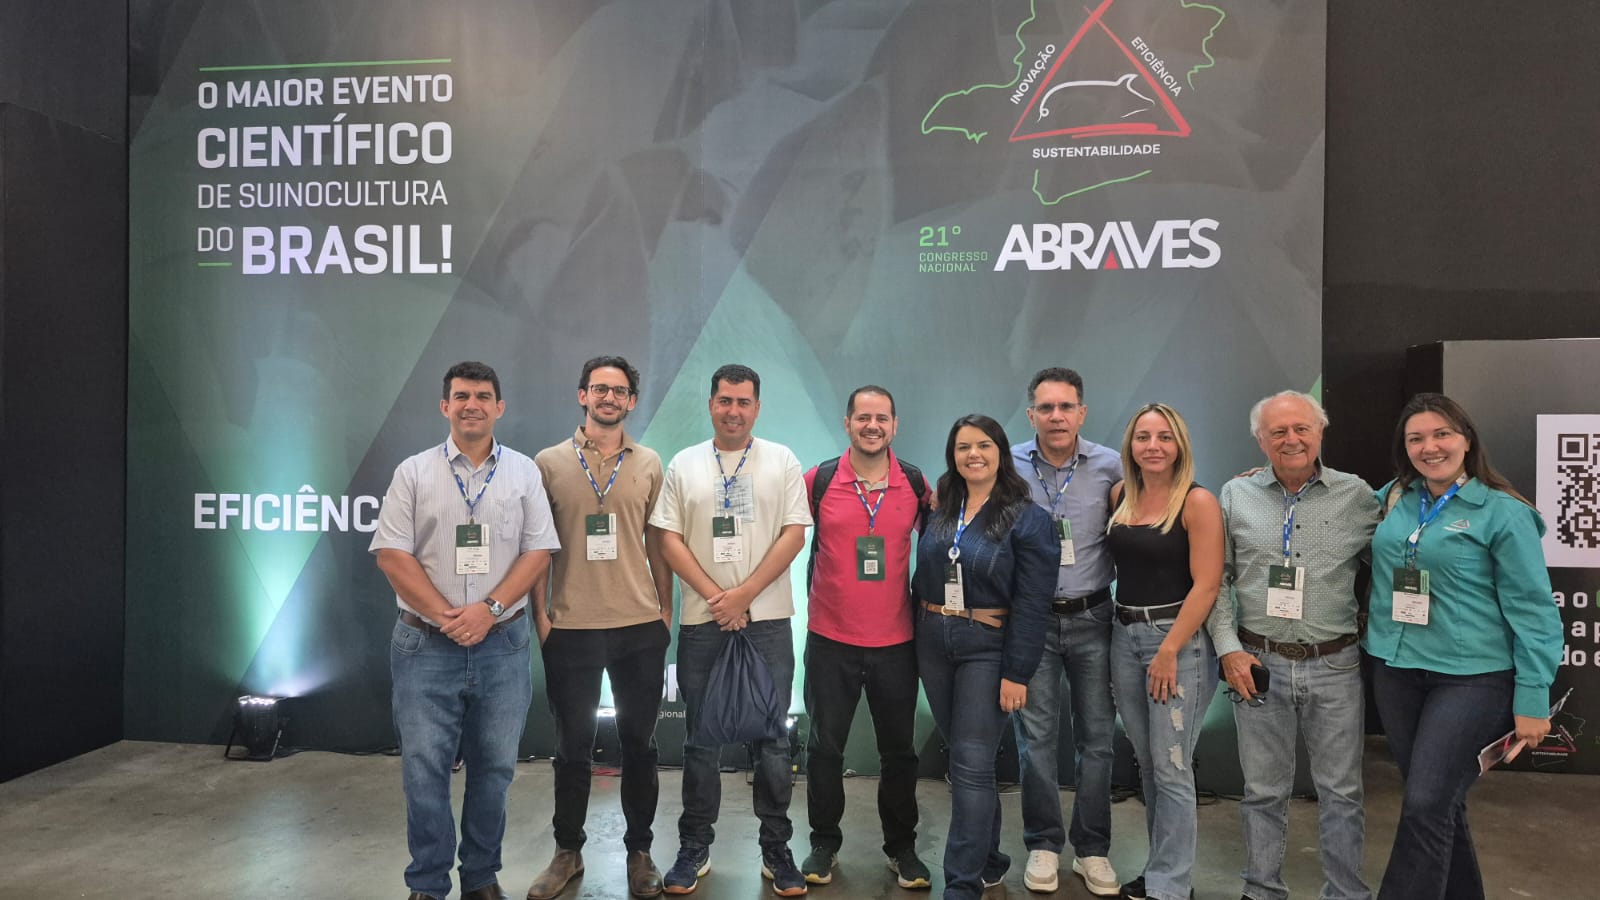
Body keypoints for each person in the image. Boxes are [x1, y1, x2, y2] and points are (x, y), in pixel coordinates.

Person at [370, 361, 561, 900]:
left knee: (495, 768)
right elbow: (391, 554)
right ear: (444, 406)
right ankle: (427, 883)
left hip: (502, 643)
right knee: (423, 769)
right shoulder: (413, 472)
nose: (471, 404)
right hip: (425, 645)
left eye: (481, 396)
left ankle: (480, 878)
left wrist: (489, 610)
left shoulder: (523, 472)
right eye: (460, 396)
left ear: (499, 407)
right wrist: (447, 616)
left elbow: (539, 551)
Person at [1366, 393, 1562, 900]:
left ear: (1467, 440)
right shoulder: (1395, 497)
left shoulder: (1504, 513)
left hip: (1473, 679)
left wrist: (1533, 696)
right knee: (1439, 806)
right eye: (1416, 438)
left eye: (1442, 434)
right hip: (1397, 670)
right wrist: (1276, 479)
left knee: (1426, 804)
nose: (1429, 447)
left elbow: (1535, 610)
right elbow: (1334, 503)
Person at [1205, 391, 1379, 900]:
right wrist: (1228, 649)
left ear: (1320, 432)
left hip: (1335, 664)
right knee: (1262, 791)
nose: (1291, 439)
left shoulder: (1357, 495)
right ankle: (1261, 890)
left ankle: (1345, 893)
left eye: (1302, 428)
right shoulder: (1235, 495)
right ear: (1260, 441)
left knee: (1342, 793)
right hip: (1257, 663)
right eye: (1277, 431)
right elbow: (1216, 579)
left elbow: (1394, 557)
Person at [648, 364, 814, 896]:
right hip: (704, 622)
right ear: (711, 404)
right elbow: (668, 539)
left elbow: (794, 533)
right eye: (725, 400)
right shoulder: (685, 463)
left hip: (767, 622)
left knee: (772, 742)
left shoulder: (782, 460)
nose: (733, 411)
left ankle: (776, 848)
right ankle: (693, 846)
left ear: (757, 408)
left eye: (743, 402)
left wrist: (744, 596)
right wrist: (718, 599)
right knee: (701, 740)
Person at [526, 356, 673, 899]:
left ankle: (640, 852)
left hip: (639, 625)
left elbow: (657, 541)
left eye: (619, 390)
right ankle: (567, 852)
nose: (608, 397)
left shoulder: (649, 462)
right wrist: (541, 616)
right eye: (599, 389)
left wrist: (665, 611)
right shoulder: (548, 463)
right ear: (582, 395)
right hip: (570, 626)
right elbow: (537, 546)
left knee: (640, 744)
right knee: (572, 747)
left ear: (631, 400)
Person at [913, 414, 1057, 900]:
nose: (973, 454)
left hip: (987, 648)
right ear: (952, 455)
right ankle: (989, 861)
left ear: (1000, 452)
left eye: (983, 445)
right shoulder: (941, 507)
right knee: (965, 758)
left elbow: (1034, 605)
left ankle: (961, 883)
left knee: (972, 764)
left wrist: (1018, 672)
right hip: (933, 640)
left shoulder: (1028, 518)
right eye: (962, 447)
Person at [799, 385, 933, 889]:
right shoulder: (819, 480)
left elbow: (944, 546)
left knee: (899, 753)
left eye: (881, 418)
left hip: (896, 643)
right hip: (829, 640)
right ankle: (823, 845)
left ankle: (902, 848)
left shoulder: (915, 484)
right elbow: (783, 538)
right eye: (863, 417)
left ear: (895, 426)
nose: (872, 426)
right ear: (847, 424)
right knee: (824, 749)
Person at [1010, 368, 1122, 897]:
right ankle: (1044, 843)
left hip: (1094, 617)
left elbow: (1162, 497)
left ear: (1082, 412)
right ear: (1031, 414)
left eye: (1066, 407)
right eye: (1046, 407)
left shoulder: (1111, 465)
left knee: (1097, 740)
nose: (1056, 416)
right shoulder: (1007, 464)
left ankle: (1092, 849)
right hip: (1030, 620)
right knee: (1035, 740)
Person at [1105, 402, 1223, 900]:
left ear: (1179, 445)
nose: (1153, 446)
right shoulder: (1120, 495)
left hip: (1177, 642)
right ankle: (1161, 870)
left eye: (1164, 437)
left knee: (1172, 766)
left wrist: (1170, 649)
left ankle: (1171, 886)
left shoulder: (1197, 502)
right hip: (1123, 634)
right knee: (1149, 763)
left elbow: (1208, 585)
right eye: (1143, 437)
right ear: (1131, 445)